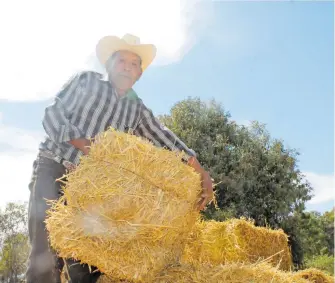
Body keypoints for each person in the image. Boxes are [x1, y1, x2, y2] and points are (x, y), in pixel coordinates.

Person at [26, 34, 214, 283]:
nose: (127, 66)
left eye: (134, 63)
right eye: (122, 60)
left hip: (91, 190)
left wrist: (201, 172)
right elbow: (52, 115)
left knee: (88, 266)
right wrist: (86, 146)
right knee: (44, 259)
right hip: (54, 167)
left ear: (139, 73)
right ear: (109, 65)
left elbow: (165, 138)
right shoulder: (87, 81)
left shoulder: (136, 108)